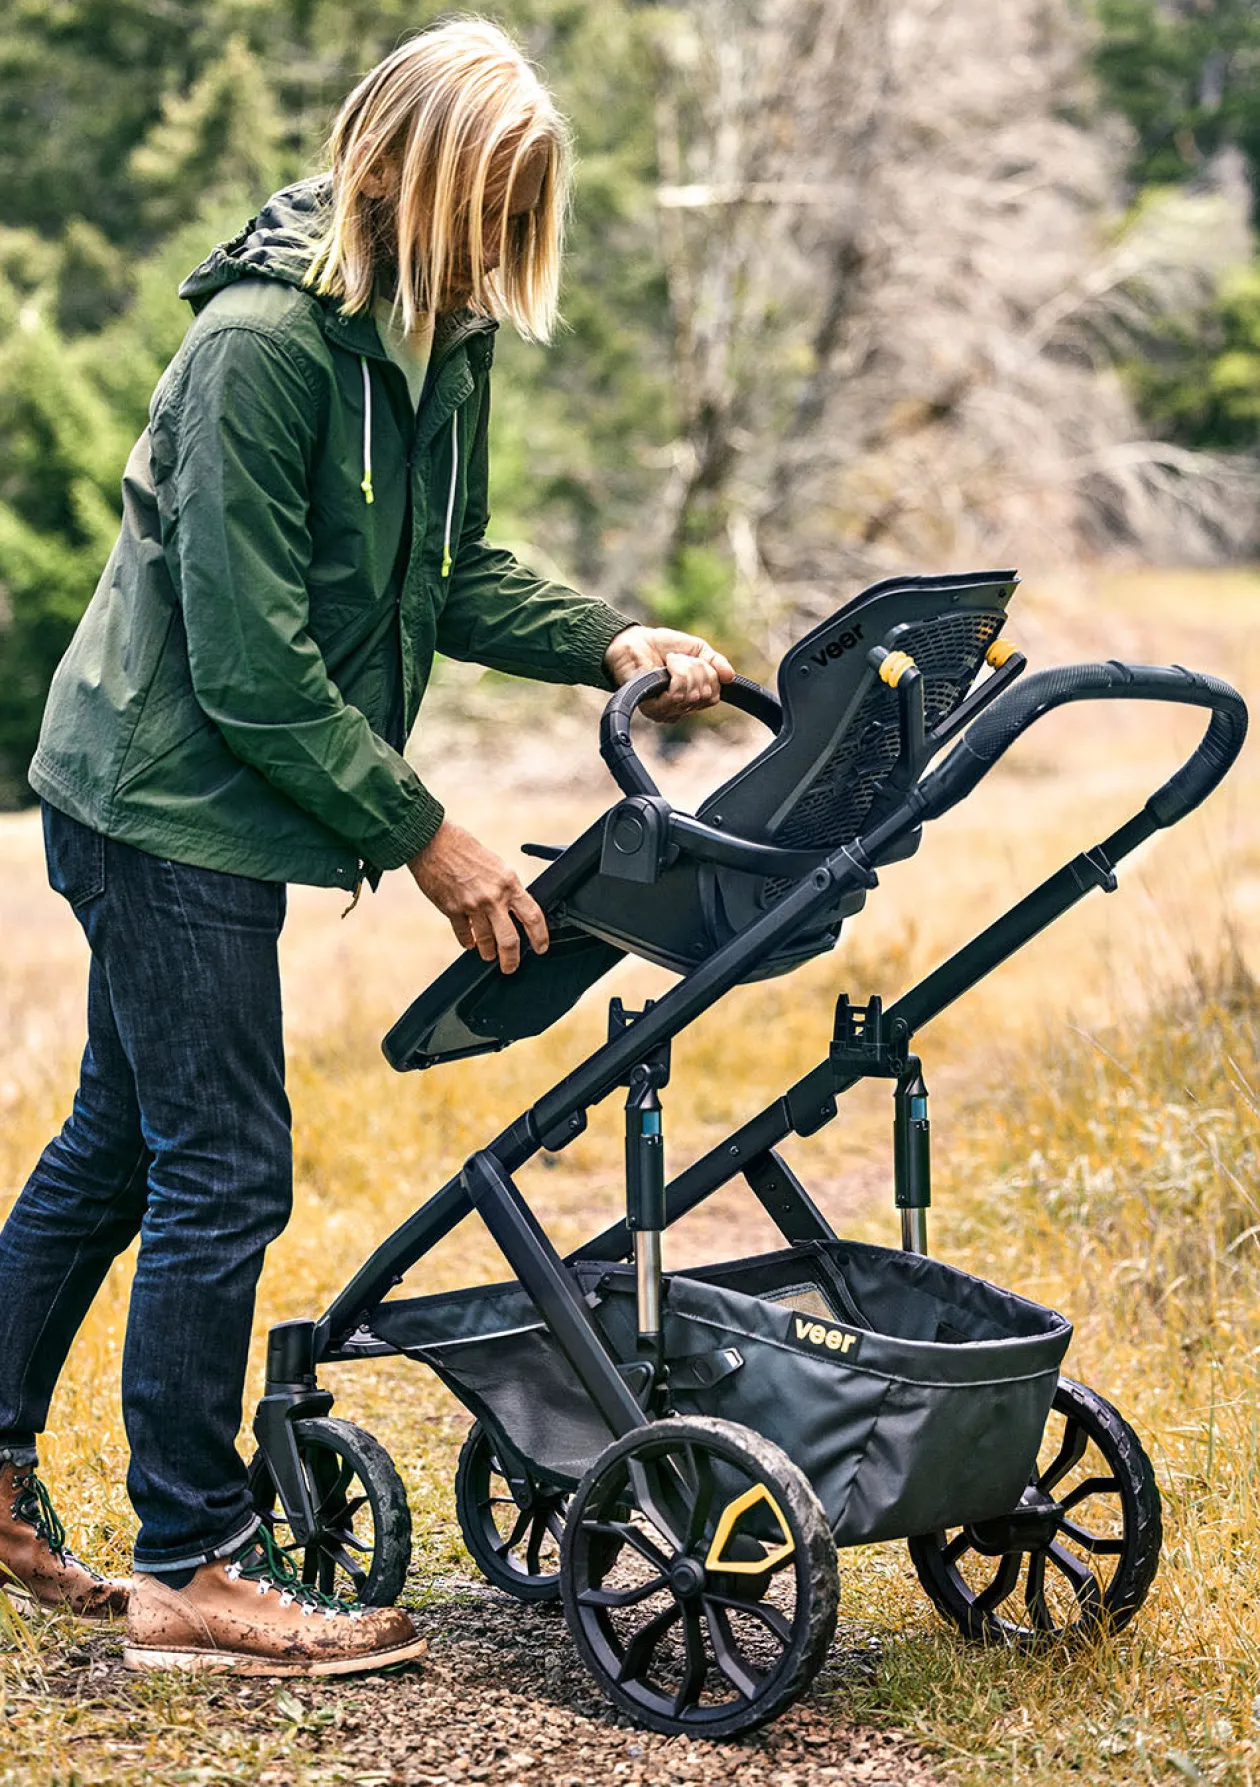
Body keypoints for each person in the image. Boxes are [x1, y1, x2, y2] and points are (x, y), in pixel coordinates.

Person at [0, 18, 733, 1676]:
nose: (495, 256)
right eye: (483, 214)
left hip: (204, 807)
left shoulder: (438, 341)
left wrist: (608, 638)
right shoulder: (261, 350)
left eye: (519, 223)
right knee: (223, 1164)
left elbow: (448, 572)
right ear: (391, 170)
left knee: (119, 1144)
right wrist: (430, 838)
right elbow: (252, 668)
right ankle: (191, 1562)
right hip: (154, 802)